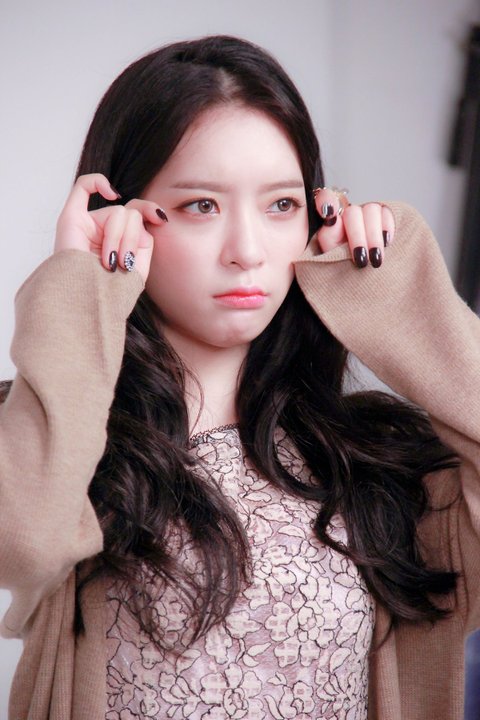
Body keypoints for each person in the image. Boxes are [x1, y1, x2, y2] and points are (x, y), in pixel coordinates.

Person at [0, 34, 478, 720]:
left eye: (281, 205)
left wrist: (399, 291)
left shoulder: (377, 462)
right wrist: (78, 286)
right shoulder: (54, 441)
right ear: (121, 218)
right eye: (202, 205)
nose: (247, 251)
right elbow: (21, 544)